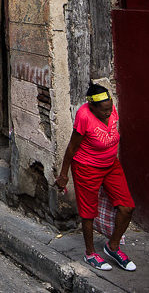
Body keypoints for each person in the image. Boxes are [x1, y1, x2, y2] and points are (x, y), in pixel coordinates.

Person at [56, 83, 136, 272]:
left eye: (110, 108)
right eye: (104, 111)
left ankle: (112, 247)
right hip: (87, 168)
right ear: (92, 107)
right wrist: (63, 175)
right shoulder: (84, 116)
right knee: (88, 213)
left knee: (127, 207)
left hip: (110, 165)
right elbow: (71, 148)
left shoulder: (109, 107)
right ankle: (90, 253)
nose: (108, 113)